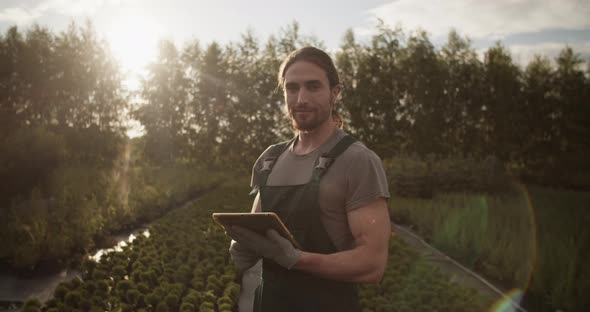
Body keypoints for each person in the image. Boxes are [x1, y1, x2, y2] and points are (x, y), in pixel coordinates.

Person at [227, 46, 391, 312]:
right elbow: (255, 228)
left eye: (313, 87)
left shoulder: (357, 161)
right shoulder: (269, 160)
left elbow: (372, 264)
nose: (301, 98)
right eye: (292, 88)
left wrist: (296, 259)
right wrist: (243, 245)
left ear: (335, 92)